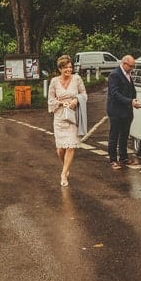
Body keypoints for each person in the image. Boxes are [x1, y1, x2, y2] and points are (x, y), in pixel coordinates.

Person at [47, 55, 87, 187]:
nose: (69, 70)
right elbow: (50, 100)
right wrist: (60, 103)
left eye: (70, 67)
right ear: (60, 69)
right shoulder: (54, 82)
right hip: (59, 117)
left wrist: (76, 101)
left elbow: (84, 95)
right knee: (60, 149)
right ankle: (65, 166)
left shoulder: (77, 79)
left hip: (73, 116)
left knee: (71, 146)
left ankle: (63, 174)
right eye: (66, 68)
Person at [106, 54, 141, 169]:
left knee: (125, 135)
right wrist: (130, 101)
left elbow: (131, 90)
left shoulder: (128, 74)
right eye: (130, 66)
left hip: (127, 110)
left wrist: (134, 101)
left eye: (133, 66)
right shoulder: (114, 75)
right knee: (114, 135)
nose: (132, 68)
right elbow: (115, 94)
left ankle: (123, 157)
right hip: (116, 110)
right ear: (124, 63)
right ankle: (113, 160)